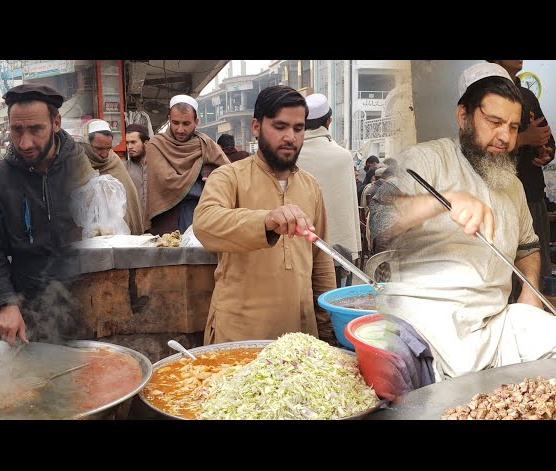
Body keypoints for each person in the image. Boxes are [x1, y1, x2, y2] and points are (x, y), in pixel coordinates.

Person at [369, 62, 556, 382]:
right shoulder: (425, 159)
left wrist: (529, 290)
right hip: (423, 335)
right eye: (494, 121)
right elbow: (380, 221)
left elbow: (528, 247)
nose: (505, 137)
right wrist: (441, 201)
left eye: (512, 126)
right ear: (464, 116)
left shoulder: (512, 184)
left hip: (495, 329)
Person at [194, 85, 337, 345]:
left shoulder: (310, 186)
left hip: (300, 337)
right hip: (239, 334)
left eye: (298, 128)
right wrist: (266, 220)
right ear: (257, 127)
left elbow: (321, 262)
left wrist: (328, 331)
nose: (290, 137)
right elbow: (205, 224)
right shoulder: (229, 176)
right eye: (280, 126)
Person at [0, 83, 95, 347]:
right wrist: (7, 303)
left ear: (56, 123)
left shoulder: (80, 165)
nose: (25, 142)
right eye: (16, 130)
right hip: (30, 308)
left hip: (89, 299)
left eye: (35, 129)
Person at [488, 60, 555, 292]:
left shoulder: (527, 96)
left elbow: (548, 139)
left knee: (534, 274)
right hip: (498, 195)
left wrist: (544, 151)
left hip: (532, 192)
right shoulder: (486, 93)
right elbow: (480, 147)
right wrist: (525, 138)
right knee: (501, 274)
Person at [296, 93, 362, 288]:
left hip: (297, 250)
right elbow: (348, 210)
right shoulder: (343, 157)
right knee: (332, 303)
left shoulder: (290, 156)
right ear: (329, 121)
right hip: (336, 252)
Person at [145, 94, 229, 236]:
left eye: (186, 124)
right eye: (175, 123)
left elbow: (229, 173)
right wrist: (201, 172)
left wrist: (212, 171)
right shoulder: (156, 145)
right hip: (168, 217)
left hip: (202, 216)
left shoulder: (205, 143)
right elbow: (168, 181)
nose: (180, 129)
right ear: (169, 120)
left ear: (196, 122)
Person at [79, 119, 143, 234]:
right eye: (99, 149)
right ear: (86, 144)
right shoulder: (75, 162)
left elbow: (129, 201)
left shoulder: (113, 161)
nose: (104, 154)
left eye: (108, 148)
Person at [124, 123, 150, 226]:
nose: (129, 147)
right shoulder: (123, 169)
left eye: (133, 142)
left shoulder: (158, 167)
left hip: (156, 226)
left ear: (146, 143)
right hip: (132, 228)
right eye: (127, 143)